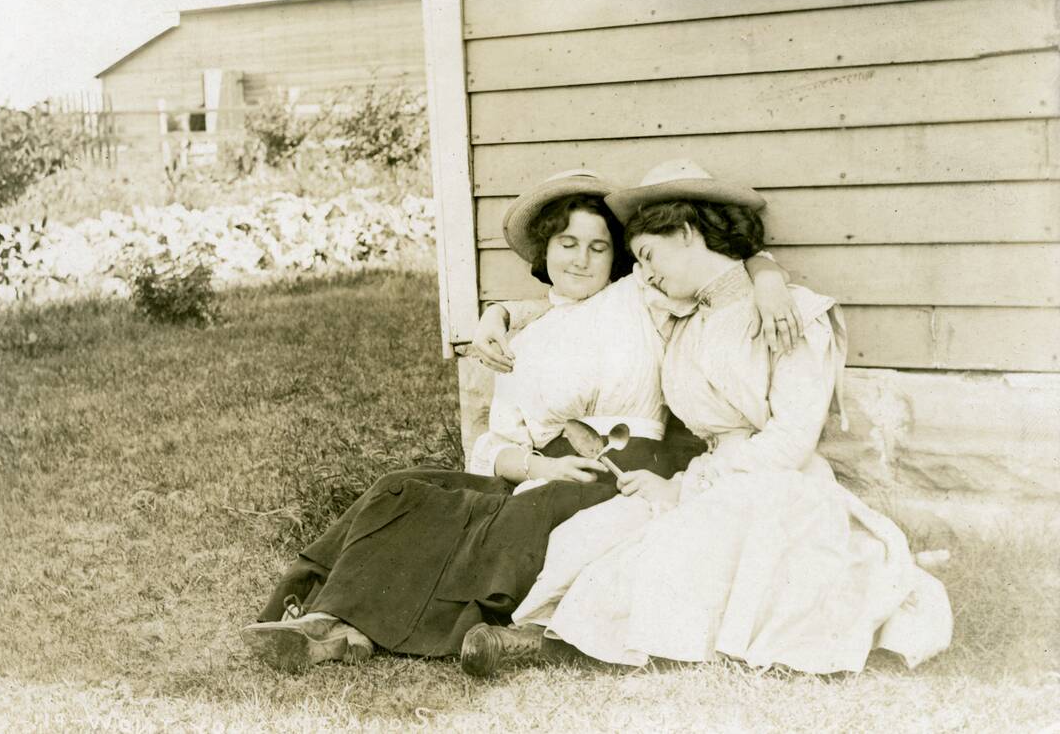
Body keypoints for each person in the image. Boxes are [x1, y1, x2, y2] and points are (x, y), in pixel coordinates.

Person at [240, 169, 797, 671]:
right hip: (539, 469)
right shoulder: (519, 337)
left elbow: (709, 264)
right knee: (400, 488)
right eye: (567, 243)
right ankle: (325, 618)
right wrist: (530, 447)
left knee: (514, 515)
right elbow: (496, 443)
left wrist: (767, 274)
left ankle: (349, 629)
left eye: (598, 248)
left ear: (618, 260)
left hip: (613, 473)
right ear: (545, 250)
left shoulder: (640, 298)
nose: (580, 259)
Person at [468, 160, 953, 677]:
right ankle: (541, 632)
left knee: (677, 546)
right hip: (704, 478)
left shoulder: (793, 315)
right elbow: (568, 308)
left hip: (775, 482)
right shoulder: (681, 318)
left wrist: (765, 277)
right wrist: (498, 313)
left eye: (649, 255)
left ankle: (552, 645)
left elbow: (790, 441)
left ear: (685, 232)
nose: (645, 272)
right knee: (591, 533)